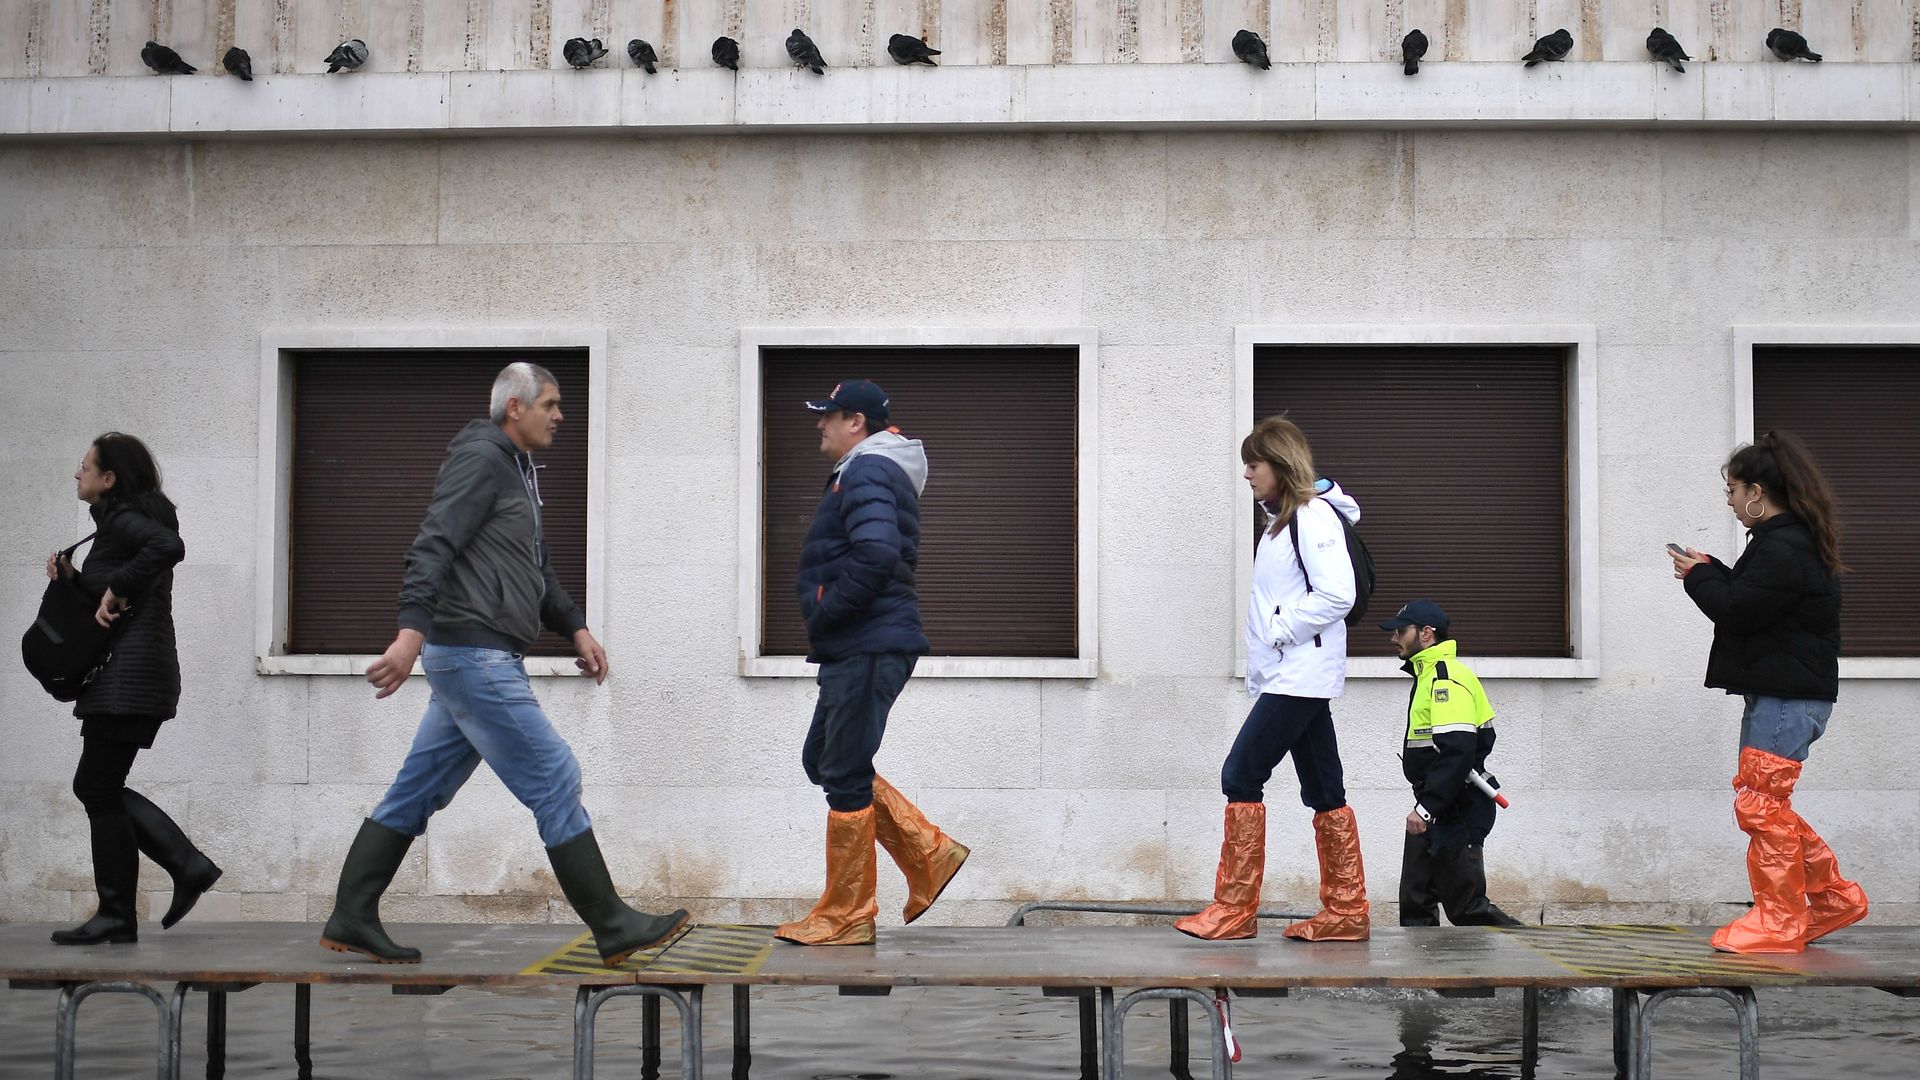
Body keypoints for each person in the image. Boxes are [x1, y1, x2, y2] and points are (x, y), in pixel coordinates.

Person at [318, 362, 686, 966]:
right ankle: (613, 925)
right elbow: (432, 542)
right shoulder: (481, 460)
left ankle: (351, 916)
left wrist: (574, 625)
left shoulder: (518, 471)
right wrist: (409, 633)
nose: (560, 414)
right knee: (556, 777)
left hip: (476, 656)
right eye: (551, 403)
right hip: (474, 654)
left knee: (418, 791)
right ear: (514, 407)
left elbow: (533, 567)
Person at [776, 379, 968, 947]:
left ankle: (848, 913)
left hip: (865, 641)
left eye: (828, 417)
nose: (820, 426)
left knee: (841, 772)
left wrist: (829, 609)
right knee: (825, 760)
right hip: (860, 642)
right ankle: (927, 851)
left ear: (855, 422)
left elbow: (878, 552)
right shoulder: (868, 470)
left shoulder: (867, 470)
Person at [1671, 430, 1868, 953]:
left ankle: (1780, 920)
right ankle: (1830, 899)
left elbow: (1738, 610)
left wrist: (1697, 579)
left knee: (1761, 808)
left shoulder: (1786, 547)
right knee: (1767, 806)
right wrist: (1712, 570)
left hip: (1786, 698)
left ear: (1757, 491)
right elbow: (1753, 599)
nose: (1732, 503)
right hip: (1785, 695)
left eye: (1733, 491)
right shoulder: (1787, 542)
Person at [1176, 416, 1368, 942]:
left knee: (1240, 774)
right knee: (1325, 790)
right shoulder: (1285, 520)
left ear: (1279, 465)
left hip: (1299, 673)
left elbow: (1338, 596)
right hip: (1293, 672)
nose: (1246, 474)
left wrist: (1280, 632)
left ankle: (1235, 910)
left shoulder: (1311, 518)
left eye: (1253, 464)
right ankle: (1347, 912)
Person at [50, 433, 222, 945]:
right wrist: (74, 580)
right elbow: (115, 598)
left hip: (129, 676)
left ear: (110, 479)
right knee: (97, 787)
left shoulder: (127, 521)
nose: (76, 475)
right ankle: (132, 904)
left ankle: (169, 876)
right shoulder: (120, 527)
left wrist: (116, 586)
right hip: (131, 673)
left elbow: (168, 550)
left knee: (97, 787)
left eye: (85, 467)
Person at [1381, 599, 1520, 928]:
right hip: (1435, 803)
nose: (1394, 638)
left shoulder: (1445, 679)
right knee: (1416, 904)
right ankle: (1433, 977)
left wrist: (1426, 809)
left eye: (1402, 631)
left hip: (1456, 807)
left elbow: (1458, 752)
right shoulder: (1429, 675)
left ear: (1426, 634)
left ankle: (1542, 971)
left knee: (1467, 908)